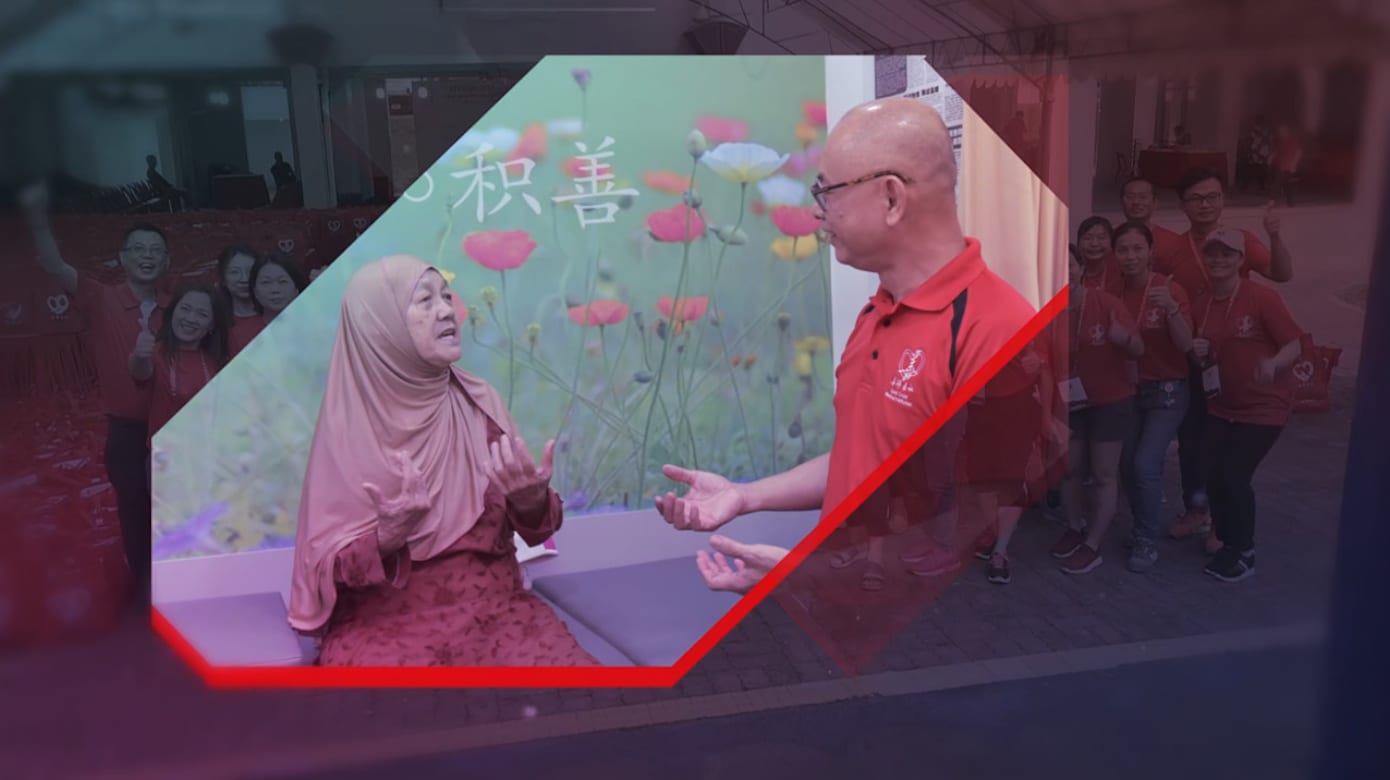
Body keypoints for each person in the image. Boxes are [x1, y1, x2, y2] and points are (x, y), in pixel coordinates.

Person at [652, 97, 1036, 592]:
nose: (818, 211)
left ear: (892, 198)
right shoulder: (878, 312)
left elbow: (977, 519)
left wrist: (811, 574)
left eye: (827, 191)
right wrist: (744, 497)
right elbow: (861, 462)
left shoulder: (996, 329)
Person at [288, 255, 596, 666]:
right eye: (425, 300)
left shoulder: (480, 403)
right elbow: (326, 571)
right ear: (380, 326)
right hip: (385, 628)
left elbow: (536, 528)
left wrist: (530, 502)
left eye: (447, 297)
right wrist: (388, 537)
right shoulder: (346, 431)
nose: (448, 310)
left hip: (499, 616)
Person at [19, 180, 170, 602]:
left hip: (173, 429)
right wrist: (36, 216)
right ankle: (145, 595)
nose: (147, 256)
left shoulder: (177, 307)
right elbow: (54, 264)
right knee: (135, 514)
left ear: (166, 260)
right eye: (138, 249)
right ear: (122, 257)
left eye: (155, 250)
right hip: (127, 432)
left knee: (175, 515)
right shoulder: (101, 299)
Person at [1156, 167, 1294, 548]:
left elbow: (1281, 273)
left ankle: (1222, 521)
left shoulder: (1240, 241)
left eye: (1213, 197)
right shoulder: (1172, 250)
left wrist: (1275, 235)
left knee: (1224, 447)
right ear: (1183, 206)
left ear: (1222, 200)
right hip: (1194, 360)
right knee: (1191, 441)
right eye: (1196, 198)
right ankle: (1196, 509)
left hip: (1234, 363)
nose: (1205, 205)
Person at [1189, 229, 1304, 581]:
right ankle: (1228, 542)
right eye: (1212, 254)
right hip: (1222, 405)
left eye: (1227, 254)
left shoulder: (1261, 297)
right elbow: (1205, 354)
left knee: (1234, 476)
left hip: (1264, 407)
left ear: (1241, 260)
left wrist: (1274, 364)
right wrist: (1199, 352)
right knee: (1213, 476)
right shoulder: (1202, 303)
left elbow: (1294, 343)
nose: (1218, 260)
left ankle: (1244, 551)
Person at [1051, 243, 1143, 574]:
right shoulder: (1046, 310)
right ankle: (1074, 527)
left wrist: (1124, 339)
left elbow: (1139, 349)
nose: (1065, 273)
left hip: (1110, 402)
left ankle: (1093, 544)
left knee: (1104, 473)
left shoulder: (1107, 304)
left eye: (1070, 265)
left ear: (1081, 269)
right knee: (1070, 469)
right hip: (1070, 402)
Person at [1112, 221, 1193, 572]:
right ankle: (1140, 524)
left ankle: (1147, 539)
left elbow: (1186, 345)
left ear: (1150, 252)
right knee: (1127, 464)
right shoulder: (1114, 292)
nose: (1130, 256)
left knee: (1146, 463)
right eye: (1123, 250)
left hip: (1167, 390)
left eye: (1137, 249)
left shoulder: (1170, 289)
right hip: (1129, 390)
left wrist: (1172, 310)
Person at [133, 283, 230, 447]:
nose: (190, 319)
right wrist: (140, 356)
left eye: (202, 314)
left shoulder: (216, 360)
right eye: (185, 309)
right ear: (173, 312)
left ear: (212, 324)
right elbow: (139, 373)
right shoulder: (155, 353)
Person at [217, 244, 267, 356]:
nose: (244, 279)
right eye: (235, 272)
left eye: (250, 271)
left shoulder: (274, 313)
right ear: (223, 279)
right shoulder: (217, 322)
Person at [1118, 176, 1183, 262]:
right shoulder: (1110, 238)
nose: (1136, 202)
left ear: (1155, 203)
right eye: (1130, 197)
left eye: (1143, 197)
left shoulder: (1173, 241)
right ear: (1121, 202)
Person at [249, 251, 310, 323]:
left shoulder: (314, 325)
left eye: (283, 281)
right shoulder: (244, 328)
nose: (275, 290)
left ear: (296, 288)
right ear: (255, 291)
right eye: (266, 282)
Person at [1076, 216, 1122, 295]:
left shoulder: (1121, 271)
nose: (1094, 244)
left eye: (1101, 238)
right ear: (1078, 243)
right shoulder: (1071, 273)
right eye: (1087, 238)